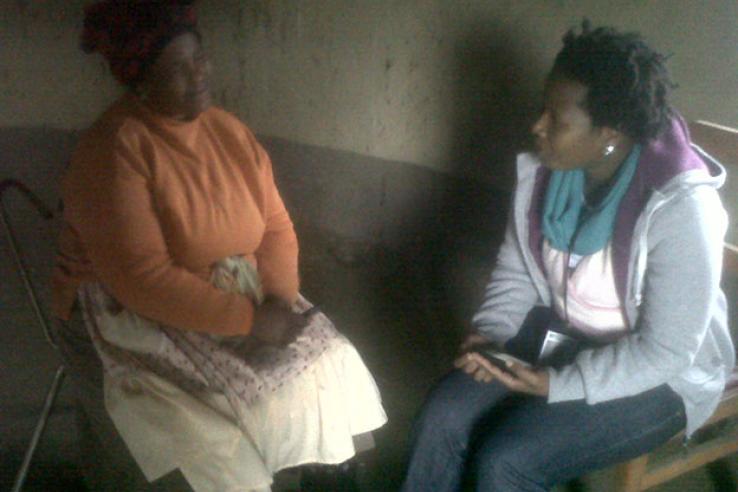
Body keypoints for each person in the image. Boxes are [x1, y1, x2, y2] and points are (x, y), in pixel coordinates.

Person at [51, 2, 386, 491]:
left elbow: (275, 227)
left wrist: (278, 298)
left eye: (200, 59)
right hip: (131, 314)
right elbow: (144, 280)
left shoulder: (228, 131)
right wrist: (251, 320)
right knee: (206, 447)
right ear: (140, 83)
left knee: (328, 366)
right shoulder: (116, 147)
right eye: (178, 70)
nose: (199, 76)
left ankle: (332, 476)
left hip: (237, 294)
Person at [402, 22, 734, 491]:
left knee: (508, 459)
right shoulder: (543, 174)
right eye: (543, 110)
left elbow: (667, 351)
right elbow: (516, 270)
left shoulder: (681, 207)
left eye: (556, 120)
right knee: (444, 414)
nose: (537, 127)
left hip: (662, 374)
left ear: (610, 133)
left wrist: (557, 384)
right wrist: (491, 333)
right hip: (569, 332)